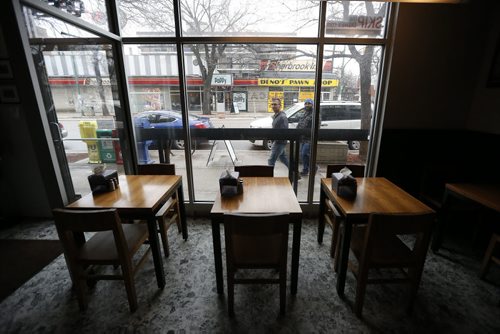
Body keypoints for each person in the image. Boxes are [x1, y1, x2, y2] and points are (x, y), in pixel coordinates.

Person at [267, 97, 289, 168]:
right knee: (283, 158)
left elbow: (284, 132)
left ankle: (269, 177)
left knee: (271, 161)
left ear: (280, 105)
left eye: (275, 104)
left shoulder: (282, 117)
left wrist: (277, 142)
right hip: (278, 142)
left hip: (279, 142)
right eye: (272, 104)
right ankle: (295, 173)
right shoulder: (276, 116)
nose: (273, 106)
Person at [297, 98, 314, 176]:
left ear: (312, 105)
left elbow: (317, 127)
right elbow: (300, 124)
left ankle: (312, 167)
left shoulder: (315, 114)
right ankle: (306, 170)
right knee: (304, 154)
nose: (307, 105)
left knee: (304, 153)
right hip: (302, 138)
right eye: (306, 103)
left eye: (309, 103)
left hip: (309, 138)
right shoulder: (304, 113)